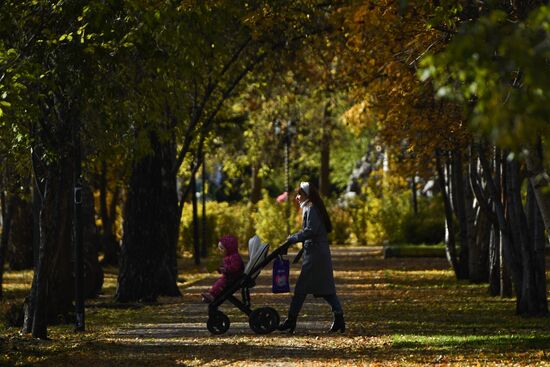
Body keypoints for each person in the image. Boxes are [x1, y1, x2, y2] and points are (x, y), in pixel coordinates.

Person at [278, 181, 345, 333]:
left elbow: (310, 231)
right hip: (316, 253)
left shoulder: (311, 208)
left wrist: (293, 238)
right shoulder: (311, 207)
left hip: (315, 254)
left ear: (306, 195)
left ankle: (291, 320)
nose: (297, 197)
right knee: (325, 289)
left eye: (299, 194)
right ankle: (339, 317)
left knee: (301, 289)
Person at [201, 235, 244, 303]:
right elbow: (227, 267)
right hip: (229, 276)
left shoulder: (234, 257)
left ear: (229, 248)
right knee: (218, 283)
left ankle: (212, 296)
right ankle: (211, 295)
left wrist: (225, 269)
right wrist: (219, 269)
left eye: (222, 248)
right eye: (219, 248)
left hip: (233, 278)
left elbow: (235, 267)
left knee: (220, 284)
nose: (220, 250)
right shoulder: (228, 256)